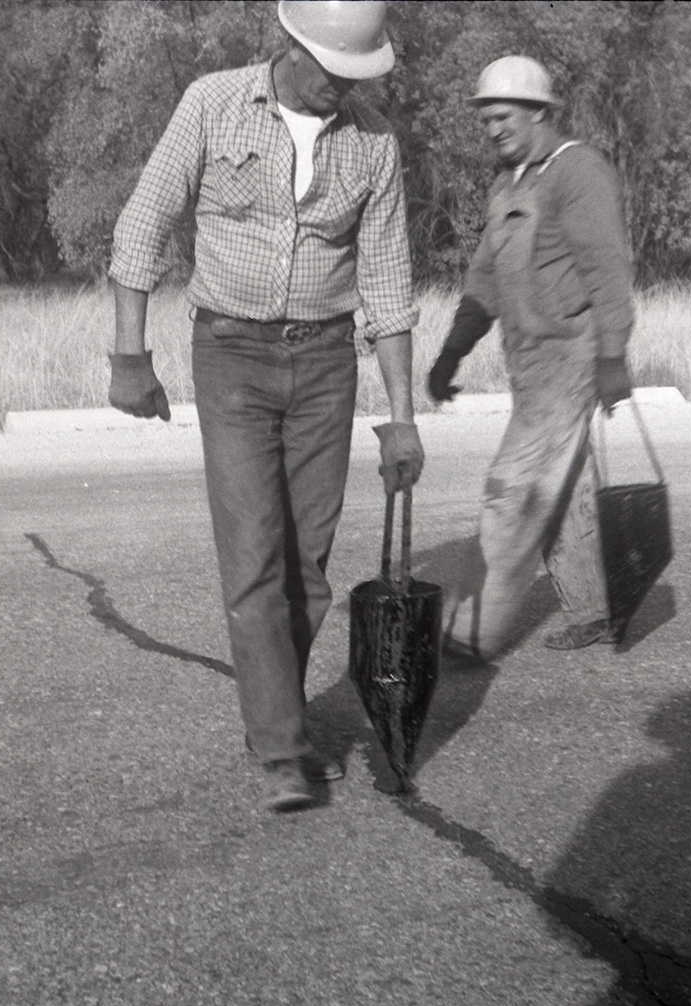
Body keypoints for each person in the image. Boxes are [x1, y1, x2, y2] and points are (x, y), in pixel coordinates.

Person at [107, 1, 423, 811]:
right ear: (293, 46)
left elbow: (387, 281)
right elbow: (145, 218)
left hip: (324, 364)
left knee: (308, 570)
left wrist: (402, 417)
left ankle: (271, 709)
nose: (341, 91)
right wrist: (131, 355)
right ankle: (283, 747)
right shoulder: (212, 103)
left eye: (359, 77)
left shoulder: (375, 143)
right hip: (233, 358)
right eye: (332, 74)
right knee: (255, 557)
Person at [428, 55, 634, 659]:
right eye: (486, 119)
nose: (492, 129)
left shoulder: (578, 171)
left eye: (503, 116)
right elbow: (486, 276)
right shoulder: (507, 185)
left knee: (513, 488)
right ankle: (595, 609)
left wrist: (612, 356)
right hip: (528, 363)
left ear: (541, 112)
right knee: (560, 488)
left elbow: (607, 268)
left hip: (572, 357)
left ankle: (472, 633)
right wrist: (452, 352)